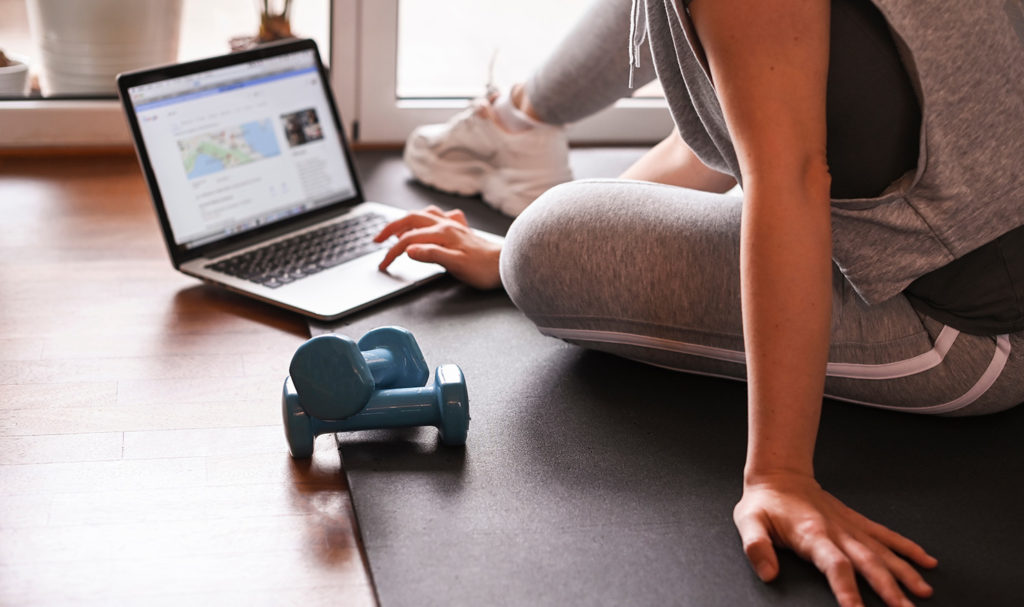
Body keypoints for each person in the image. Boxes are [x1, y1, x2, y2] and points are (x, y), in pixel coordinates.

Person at [376, 2, 1024, 606]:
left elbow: (789, 175)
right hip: (969, 238)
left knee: (543, 245)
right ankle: (514, 122)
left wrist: (779, 473)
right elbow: (732, 115)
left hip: (973, 323)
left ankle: (514, 135)